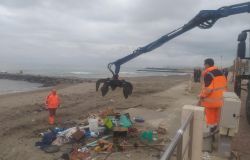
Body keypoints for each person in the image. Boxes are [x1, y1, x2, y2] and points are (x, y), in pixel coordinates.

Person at [199, 58, 227, 128]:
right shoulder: (221, 72)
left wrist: (201, 96)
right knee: (217, 118)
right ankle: (216, 130)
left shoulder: (208, 74)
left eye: (204, 64)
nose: (204, 66)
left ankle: (211, 132)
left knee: (210, 120)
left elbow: (208, 90)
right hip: (220, 100)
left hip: (211, 101)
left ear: (207, 65)